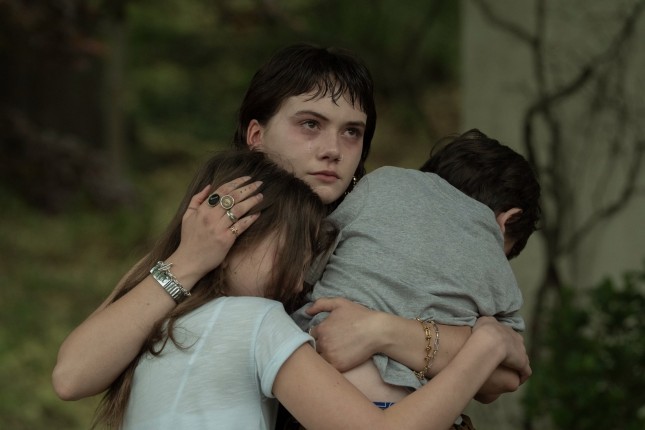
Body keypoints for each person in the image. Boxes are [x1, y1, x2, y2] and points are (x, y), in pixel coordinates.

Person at [53, 43, 525, 412]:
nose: (332, 149)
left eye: (352, 132)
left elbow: (502, 376)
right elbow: (73, 376)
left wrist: (383, 331)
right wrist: (188, 261)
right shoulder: (212, 229)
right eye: (310, 124)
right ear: (256, 135)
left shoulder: (377, 235)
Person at [92, 149, 531, 430]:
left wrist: (382, 331)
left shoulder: (171, 315)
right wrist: (485, 345)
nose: (301, 279)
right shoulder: (254, 320)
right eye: (295, 251)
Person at [291, 129, 541, 423]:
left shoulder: (382, 183)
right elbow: (510, 369)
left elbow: (309, 265)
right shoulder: (491, 254)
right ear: (506, 221)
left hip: (319, 398)